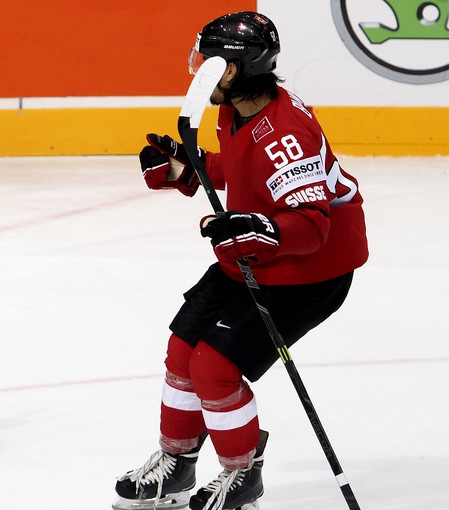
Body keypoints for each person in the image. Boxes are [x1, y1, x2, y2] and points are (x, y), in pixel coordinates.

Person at [112, 11, 368, 510]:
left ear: (230, 70)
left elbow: (311, 228)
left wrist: (258, 228)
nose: (198, 68)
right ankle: (176, 466)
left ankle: (242, 473)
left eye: (206, 60)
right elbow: (241, 167)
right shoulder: (240, 109)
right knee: (183, 349)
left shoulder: (286, 134)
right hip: (257, 255)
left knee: (214, 365)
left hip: (309, 272)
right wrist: (187, 171)